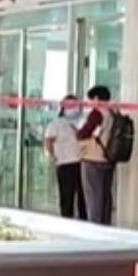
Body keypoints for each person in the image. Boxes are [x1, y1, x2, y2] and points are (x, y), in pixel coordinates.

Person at [76, 85, 116, 225]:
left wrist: (77, 131)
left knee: (93, 197)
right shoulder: (112, 113)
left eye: (91, 99)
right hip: (108, 159)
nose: (90, 103)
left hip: (93, 158)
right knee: (105, 196)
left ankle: (95, 227)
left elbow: (83, 133)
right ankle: (106, 225)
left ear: (97, 98)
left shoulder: (97, 113)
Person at [44, 94, 85, 219]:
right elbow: (48, 141)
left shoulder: (82, 121)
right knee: (66, 195)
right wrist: (52, 156)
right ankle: (67, 219)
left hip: (81, 162)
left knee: (83, 197)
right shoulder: (56, 123)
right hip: (65, 163)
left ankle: (84, 220)